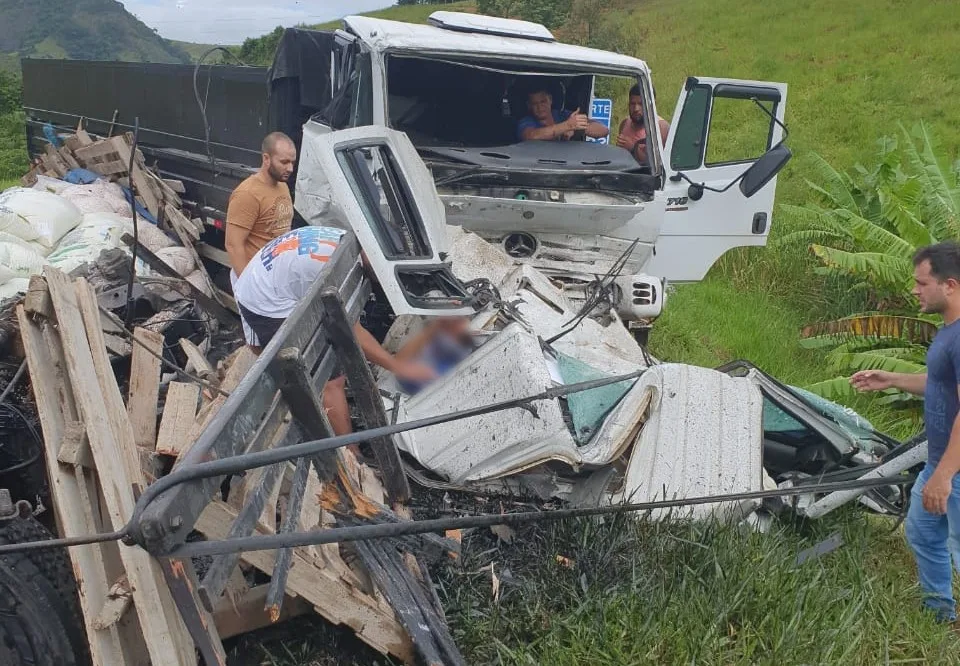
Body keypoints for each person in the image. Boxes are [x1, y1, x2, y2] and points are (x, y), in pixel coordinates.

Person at [233, 225, 467, 437]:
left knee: (269, 353)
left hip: (262, 274)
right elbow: (351, 330)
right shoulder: (337, 270)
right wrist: (397, 365)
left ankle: (287, 389)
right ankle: (350, 453)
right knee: (331, 379)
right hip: (266, 299)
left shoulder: (350, 241)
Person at [850, 241, 960, 626]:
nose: (914, 290)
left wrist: (944, 475)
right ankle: (939, 616)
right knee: (924, 533)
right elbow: (942, 384)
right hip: (941, 461)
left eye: (921, 282)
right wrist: (892, 379)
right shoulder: (949, 332)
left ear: (949, 286)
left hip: (954, 469)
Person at [517, 86, 609, 142]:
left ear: (550, 100)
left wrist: (577, 129)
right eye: (535, 104)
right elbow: (531, 136)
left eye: (543, 102)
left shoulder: (563, 115)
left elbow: (604, 130)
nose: (540, 107)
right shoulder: (526, 122)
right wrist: (567, 126)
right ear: (529, 106)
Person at [616, 84, 671, 164]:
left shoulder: (661, 128)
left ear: (652, 105)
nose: (636, 109)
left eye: (641, 104)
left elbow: (660, 164)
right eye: (632, 104)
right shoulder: (625, 124)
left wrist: (633, 148)